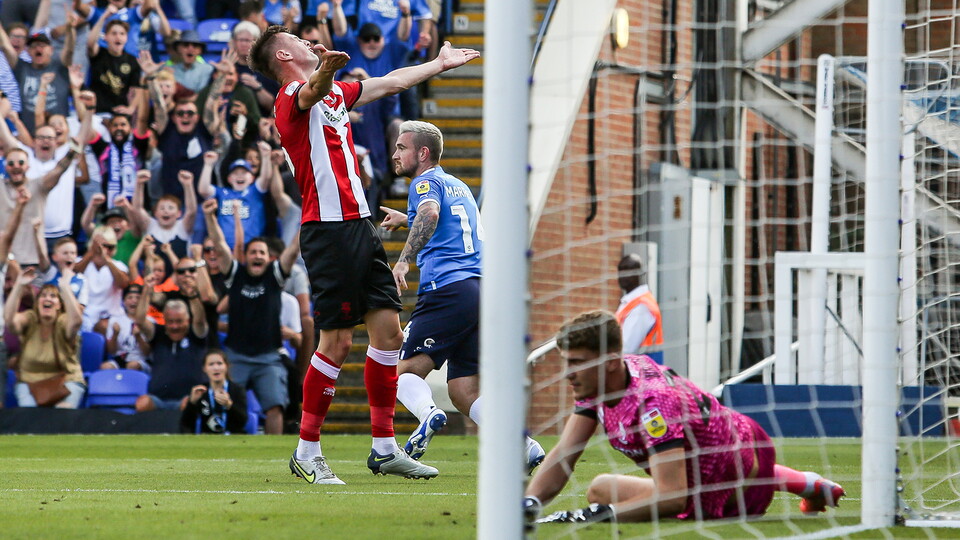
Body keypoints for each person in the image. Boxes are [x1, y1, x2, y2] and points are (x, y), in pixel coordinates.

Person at [248, 24, 478, 483]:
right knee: (335, 341)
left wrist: (439, 63)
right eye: (295, 37)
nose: (305, 40)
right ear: (282, 53)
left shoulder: (333, 96)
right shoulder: (290, 96)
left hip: (361, 226)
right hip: (328, 232)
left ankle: (384, 448)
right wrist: (325, 71)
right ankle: (307, 452)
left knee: (389, 337)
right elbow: (309, 92)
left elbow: (391, 81)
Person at [523, 310, 846, 526]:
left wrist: (591, 517)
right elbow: (565, 454)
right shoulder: (602, 381)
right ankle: (810, 483)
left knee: (641, 501)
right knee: (600, 488)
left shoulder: (652, 404)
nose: (568, 374)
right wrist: (529, 503)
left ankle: (805, 482)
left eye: (576, 363)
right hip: (729, 442)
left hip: (733, 479)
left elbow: (674, 496)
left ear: (609, 361)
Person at [381, 120, 545, 470]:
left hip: (448, 288)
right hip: (481, 292)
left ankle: (427, 416)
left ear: (422, 153)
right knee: (464, 391)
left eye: (401, 148)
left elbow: (430, 212)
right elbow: (448, 225)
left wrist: (403, 261)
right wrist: (406, 218)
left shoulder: (425, 182)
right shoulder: (458, 186)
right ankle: (525, 446)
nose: (395, 154)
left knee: (404, 372)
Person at [203, 197, 301, 435]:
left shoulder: (275, 275)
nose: (257, 256)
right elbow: (218, 243)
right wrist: (209, 216)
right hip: (236, 357)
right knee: (227, 404)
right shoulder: (235, 273)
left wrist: (306, 220)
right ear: (245, 256)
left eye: (262, 253)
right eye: (253, 252)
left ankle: (272, 454)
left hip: (269, 357)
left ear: (269, 258)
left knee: (275, 407)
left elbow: (293, 248)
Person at [4, 267, 85, 408]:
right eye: (43, 295)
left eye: (53, 296)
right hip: (29, 383)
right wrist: (19, 285)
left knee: (63, 412)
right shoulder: (30, 318)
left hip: (66, 380)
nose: (47, 298)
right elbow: (10, 321)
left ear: (59, 305)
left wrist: (65, 287)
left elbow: (77, 321)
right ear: (37, 303)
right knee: (31, 417)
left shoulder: (63, 321)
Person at [133, 281, 208, 412]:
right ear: (165, 321)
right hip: (158, 398)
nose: (174, 326)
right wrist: (146, 292)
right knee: (142, 403)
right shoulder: (158, 333)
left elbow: (200, 321)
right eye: (170, 322)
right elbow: (139, 320)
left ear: (188, 320)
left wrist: (193, 297)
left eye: (179, 321)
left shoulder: (195, 335)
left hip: (187, 398)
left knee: (189, 405)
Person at [180, 349, 249, 434]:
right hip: (208, 439)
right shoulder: (200, 391)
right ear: (204, 369)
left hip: (233, 437)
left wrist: (229, 405)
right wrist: (192, 403)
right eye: (211, 364)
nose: (216, 368)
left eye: (219, 363)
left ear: (226, 366)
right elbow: (186, 424)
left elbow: (243, 422)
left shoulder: (237, 390)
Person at [615, 253, 664, 363]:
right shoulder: (630, 302)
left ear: (641, 273)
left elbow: (627, 348)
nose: (622, 274)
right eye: (620, 270)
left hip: (643, 372)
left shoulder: (642, 305)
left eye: (628, 270)